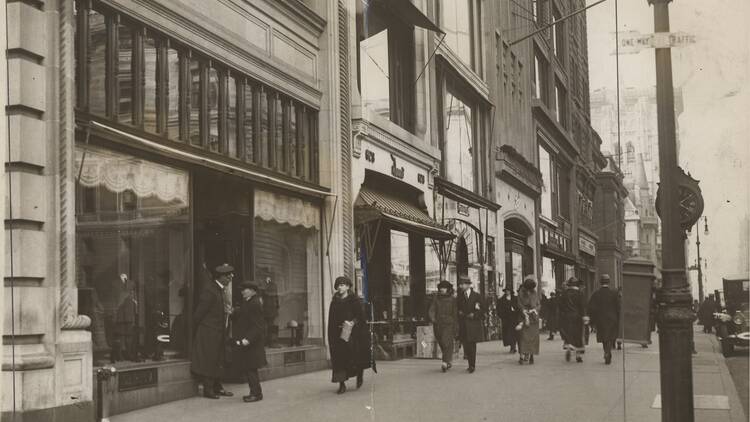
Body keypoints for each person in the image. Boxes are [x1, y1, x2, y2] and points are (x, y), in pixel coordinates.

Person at [191, 264, 234, 399]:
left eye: (231, 275)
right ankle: (208, 389)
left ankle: (217, 387)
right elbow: (198, 314)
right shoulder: (210, 291)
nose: (230, 278)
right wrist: (205, 328)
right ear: (220, 277)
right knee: (209, 360)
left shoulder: (219, 289)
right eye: (228, 276)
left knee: (218, 359)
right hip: (209, 332)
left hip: (218, 331)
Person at [328, 276, 371, 394]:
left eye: (342, 285)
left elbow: (361, 316)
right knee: (339, 359)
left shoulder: (354, 300)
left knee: (354, 357)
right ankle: (342, 384)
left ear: (347, 286)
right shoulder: (335, 302)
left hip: (353, 334)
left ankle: (359, 374)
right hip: (338, 335)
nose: (340, 287)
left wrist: (352, 322)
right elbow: (331, 320)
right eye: (338, 285)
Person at [232, 281, 267, 403]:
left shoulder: (255, 303)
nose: (242, 291)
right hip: (251, 342)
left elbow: (258, 326)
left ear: (253, 291)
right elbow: (244, 315)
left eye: (245, 289)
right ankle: (255, 392)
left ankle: (256, 394)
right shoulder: (249, 301)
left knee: (251, 369)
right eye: (242, 289)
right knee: (249, 368)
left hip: (252, 343)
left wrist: (247, 339)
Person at [587, 274, 620, 364]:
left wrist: (592, 320)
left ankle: (606, 351)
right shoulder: (614, 293)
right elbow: (618, 307)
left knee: (604, 336)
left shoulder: (596, 294)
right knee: (610, 336)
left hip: (600, 319)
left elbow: (591, 307)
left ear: (600, 282)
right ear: (609, 282)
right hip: (612, 318)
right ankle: (608, 351)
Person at [428, 280, 458, 372]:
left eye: (444, 288)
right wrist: (433, 319)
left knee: (446, 341)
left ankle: (445, 362)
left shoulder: (453, 299)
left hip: (449, 324)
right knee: (441, 341)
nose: (442, 289)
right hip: (438, 324)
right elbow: (432, 310)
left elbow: (455, 313)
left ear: (448, 289)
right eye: (441, 288)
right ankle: (448, 360)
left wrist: (456, 325)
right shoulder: (436, 299)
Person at [457, 276, 484, 373]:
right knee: (466, 345)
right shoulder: (460, 296)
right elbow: (457, 308)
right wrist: (459, 312)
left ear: (468, 285)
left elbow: (482, 309)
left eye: (463, 284)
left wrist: (475, 314)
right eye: (460, 284)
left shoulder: (476, 296)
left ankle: (472, 365)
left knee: (472, 345)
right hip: (464, 324)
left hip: (473, 324)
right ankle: (470, 364)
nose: (461, 286)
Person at [558, 277, 588, 363]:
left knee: (568, 333)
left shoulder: (564, 293)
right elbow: (582, 306)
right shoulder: (580, 293)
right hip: (577, 317)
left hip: (566, 317)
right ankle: (578, 356)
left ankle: (568, 347)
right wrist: (584, 316)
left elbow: (560, 306)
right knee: (578, 335)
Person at [517, 277, 541, 364]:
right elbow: (519, 304)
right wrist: (524, 311)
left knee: (533, 338)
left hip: (533, 319)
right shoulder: (521, 293)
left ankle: (531, 355)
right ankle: (522, 355)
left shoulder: (534, 293)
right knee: (523, 338)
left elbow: (538, 304)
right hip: (524, 318)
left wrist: (534, 309)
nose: (529, 290)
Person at [496, 288, 519, 353]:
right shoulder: (501, 300)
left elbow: (518, 307)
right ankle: (511, 345)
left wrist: (514, 310)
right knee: (507, 333)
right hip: (506, 319)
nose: (507, 292)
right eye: (506, 291)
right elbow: (499, 309)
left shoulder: (515, 299)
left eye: (508, 291)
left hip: (514, 319)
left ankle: (513, 347)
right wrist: (502, 315)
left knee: (513, 333)